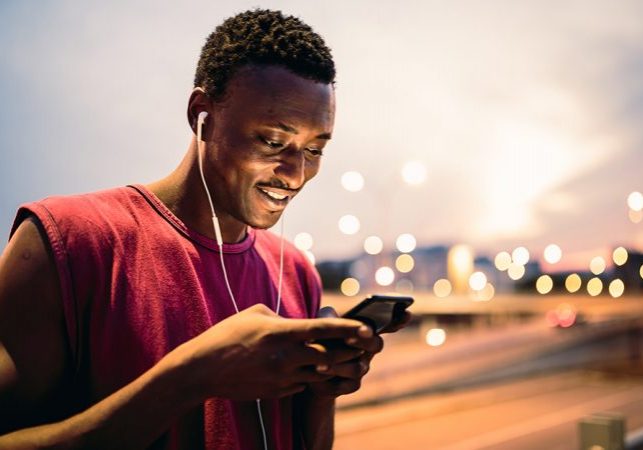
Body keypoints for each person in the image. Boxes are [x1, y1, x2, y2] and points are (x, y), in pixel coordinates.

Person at [0, 9, 409, 450]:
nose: (295, 173)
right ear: (202, 114)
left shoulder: (293, 272)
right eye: (272, 141)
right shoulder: (69, 242)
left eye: (313, 148)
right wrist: (192, 378)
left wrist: (320, 393)